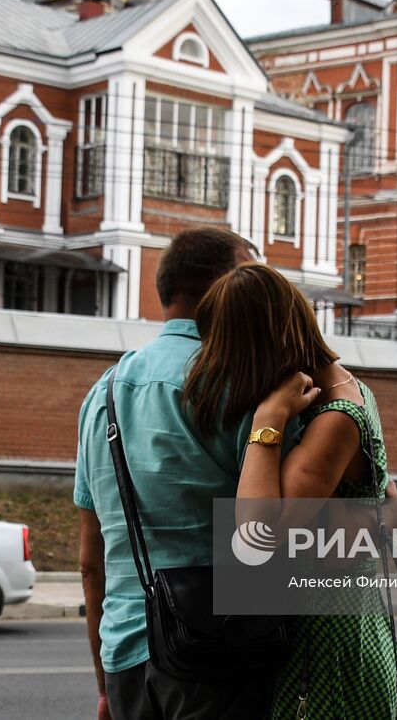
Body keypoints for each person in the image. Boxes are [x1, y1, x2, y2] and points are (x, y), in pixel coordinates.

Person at [185, 262, 397, 720]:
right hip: (348, 622)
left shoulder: (333, 419)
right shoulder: (351, 388)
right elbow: (387, 498)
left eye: (226, 348)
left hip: (327, 648)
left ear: (255, 343)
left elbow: (257, 536)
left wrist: (267, 421)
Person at [74, 227, 265, 720]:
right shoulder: (240, 384)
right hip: (216, 657)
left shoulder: (103, 394)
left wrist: (104, 686)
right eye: (251, 275)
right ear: (225, 285)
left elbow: (90, 562)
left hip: (124, 657)